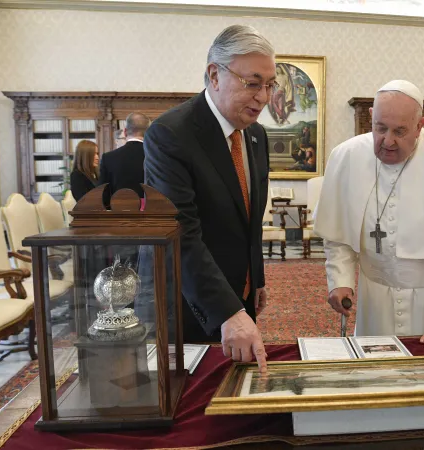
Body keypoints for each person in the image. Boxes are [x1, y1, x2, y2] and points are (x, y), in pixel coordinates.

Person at [313, 80, 424, 346]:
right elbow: (338, 236)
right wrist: (340, 280)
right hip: (376, 300)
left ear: (420, 125)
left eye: (400, 131)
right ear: (371, 117)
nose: (388, 141)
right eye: (380, 128)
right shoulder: (345, 156)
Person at [144, 25, 277, 371]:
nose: (263, 97)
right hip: (191, 305)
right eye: (253, 83)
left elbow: (248, 220)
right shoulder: (170, 135)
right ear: (214, 75)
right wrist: (228, 311)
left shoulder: (256, 136)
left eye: (270, 84)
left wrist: (255, 278)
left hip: (239, 298)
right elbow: (181, 235)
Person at [99, 112, 151, 199]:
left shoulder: (108, 158)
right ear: (148, 132)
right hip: (151, 211)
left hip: (118, 211)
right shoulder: (157, 157)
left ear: (125, 131)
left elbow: (102, 194)